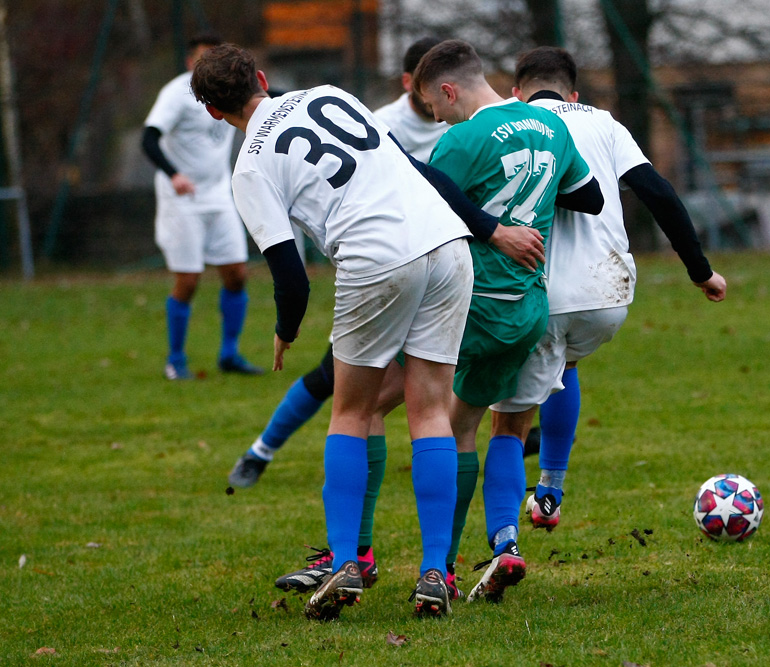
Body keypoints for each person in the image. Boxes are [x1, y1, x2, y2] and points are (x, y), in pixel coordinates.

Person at [190, 43, 540, 618]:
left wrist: (285, 329)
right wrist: (488, 229)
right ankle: (434, 571)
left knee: (351, 411)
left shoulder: (249, 165)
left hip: (376, 260)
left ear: (212, 111)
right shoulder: (330, 96)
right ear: (261, 77)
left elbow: (289, 273)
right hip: (446, 245)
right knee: (430, 410)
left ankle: (348, 560)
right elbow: (419, 172)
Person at [497, 47, 727, 532]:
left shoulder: (505, 120)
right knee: (567, 364)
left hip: (535, 290)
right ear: (574, 93)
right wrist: (700, 271)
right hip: (607, 292)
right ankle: (552, 489)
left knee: (506, 420)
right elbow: (659, 193)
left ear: (516, 91)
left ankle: (503, 539)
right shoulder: (604, 123)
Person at [412, 39, 604, 603]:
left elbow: (426, 215)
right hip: (531, 309)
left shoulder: (462, 138)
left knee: (447, 430)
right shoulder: (551, 127)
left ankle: (438, 567)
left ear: (449, 91)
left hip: (479, 307)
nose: (436, 116)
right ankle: (504, 543)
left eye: (433, 105)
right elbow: (588, 196)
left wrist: (490, 221)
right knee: (510, 423)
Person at [141, 33, 262, 380]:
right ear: (189, 62)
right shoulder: (176, 94)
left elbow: (270, 100)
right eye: (202, 59)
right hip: (182, 199)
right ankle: (175, 360)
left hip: (219, 194)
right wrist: (174, 175)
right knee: (189, 280)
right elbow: (148, 138)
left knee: (237, 274)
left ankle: (229, 354)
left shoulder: (231, 92)